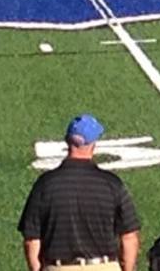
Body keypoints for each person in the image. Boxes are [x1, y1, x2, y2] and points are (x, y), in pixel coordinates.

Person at [18, 114, 140, 271]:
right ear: (93, 144)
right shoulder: (111, 184)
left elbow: (31, 239)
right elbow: (129, 236)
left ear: (67, 141)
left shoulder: (45, 185)